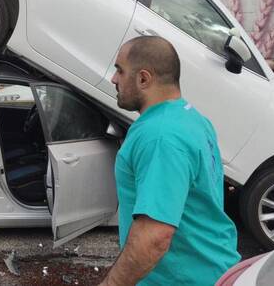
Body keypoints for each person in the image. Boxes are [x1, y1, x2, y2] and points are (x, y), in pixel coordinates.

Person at [100, 36, 239, 286]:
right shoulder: (192, 118)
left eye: (120, 70)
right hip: (215, 269)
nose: (114, 78)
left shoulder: (159, 136)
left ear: (144, 78)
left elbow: (155, 236)